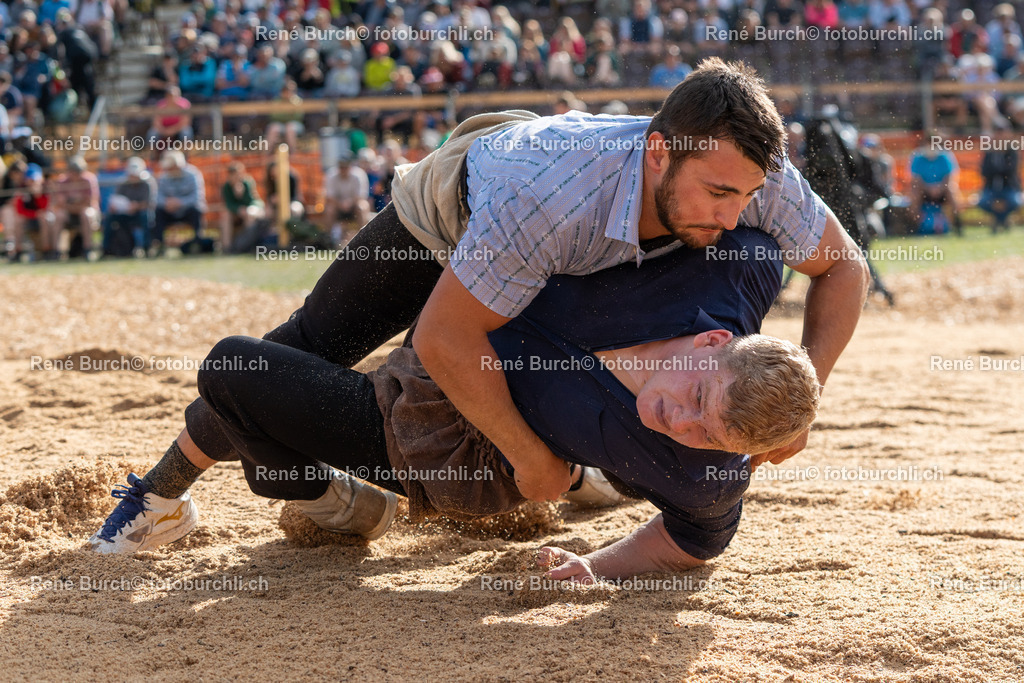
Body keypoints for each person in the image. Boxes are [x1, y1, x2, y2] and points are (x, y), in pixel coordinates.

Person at [101, 59, 869, 515]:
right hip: (450, 210)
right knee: (305, 348)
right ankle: (165, 492)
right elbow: (444, 338)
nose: (737, 214)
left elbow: (845, 266)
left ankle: (591, 469)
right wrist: (528, 458)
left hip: (547, 211)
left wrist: (807, 392)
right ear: (661, 153)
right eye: (719, 194)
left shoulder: (747, 177)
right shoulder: (547, 201)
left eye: (746, 195)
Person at [90, 226, 819, 583]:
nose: (679, 421)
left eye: (707, 433)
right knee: (290, 378)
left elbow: (694, 542)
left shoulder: (708, 473)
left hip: (447, 442)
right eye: (697, 396)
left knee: (236, 369)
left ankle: (315, 499)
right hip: (450, 293)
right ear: (713, 341)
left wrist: (596, 567)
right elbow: (817, 233)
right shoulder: (734, 266)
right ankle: (186, 494)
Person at [153, 151, 206, 252]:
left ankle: (197, 243)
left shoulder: (193, 174)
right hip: (169, 211)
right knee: (158, 212)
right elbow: (157, 197)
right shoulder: (164, 177)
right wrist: (167, 203)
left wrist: (180, 202)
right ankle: (159, 245)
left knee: (197, 210)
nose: (169, 169)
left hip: (188, 210)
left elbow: (197, 197)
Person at [104, 156, 156, 258]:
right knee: (110, 217)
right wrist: (116, 207)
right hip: (125, 214)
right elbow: (116, 201)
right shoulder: (122, 183)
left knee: (145, 216)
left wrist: (136, 206)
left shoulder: (147, 183)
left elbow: (149, 203)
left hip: (140, 213)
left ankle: (146, 248)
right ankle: (106, 249)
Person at [52, 155, 99, 258]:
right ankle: (56, 251)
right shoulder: (63, 181)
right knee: (59, 215)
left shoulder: (89, 179)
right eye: (73, 171)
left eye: (78, 171)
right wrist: (75, 204)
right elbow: (60, 203)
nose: (76, 174)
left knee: (86, 214)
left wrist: (72, 204)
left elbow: (89, 202)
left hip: (85, 211)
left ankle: (88, 249)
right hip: (69, 212)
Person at [322, 152, 371, 243]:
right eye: (341, 166)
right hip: (338, 206)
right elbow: (329, 197)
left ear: (350, 166)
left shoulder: (359, 175)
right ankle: (328, 239)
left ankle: (364, 238)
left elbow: (362, 196)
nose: (343, 169)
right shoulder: (331, 175)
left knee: (363, 206)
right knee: (329, 209)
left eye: (345, 166)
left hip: (354, 206)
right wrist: (341, 204)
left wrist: (349, 203)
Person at [219, 161, 264, 251]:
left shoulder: (247, 183)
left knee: (249, 214)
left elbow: (252, 200)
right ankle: (227, 247)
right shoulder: (227, 187)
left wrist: (242, 195)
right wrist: (238, 209)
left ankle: (248, 245)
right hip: (238, 212)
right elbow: (229, 204)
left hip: (252, 208)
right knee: (226, 215)